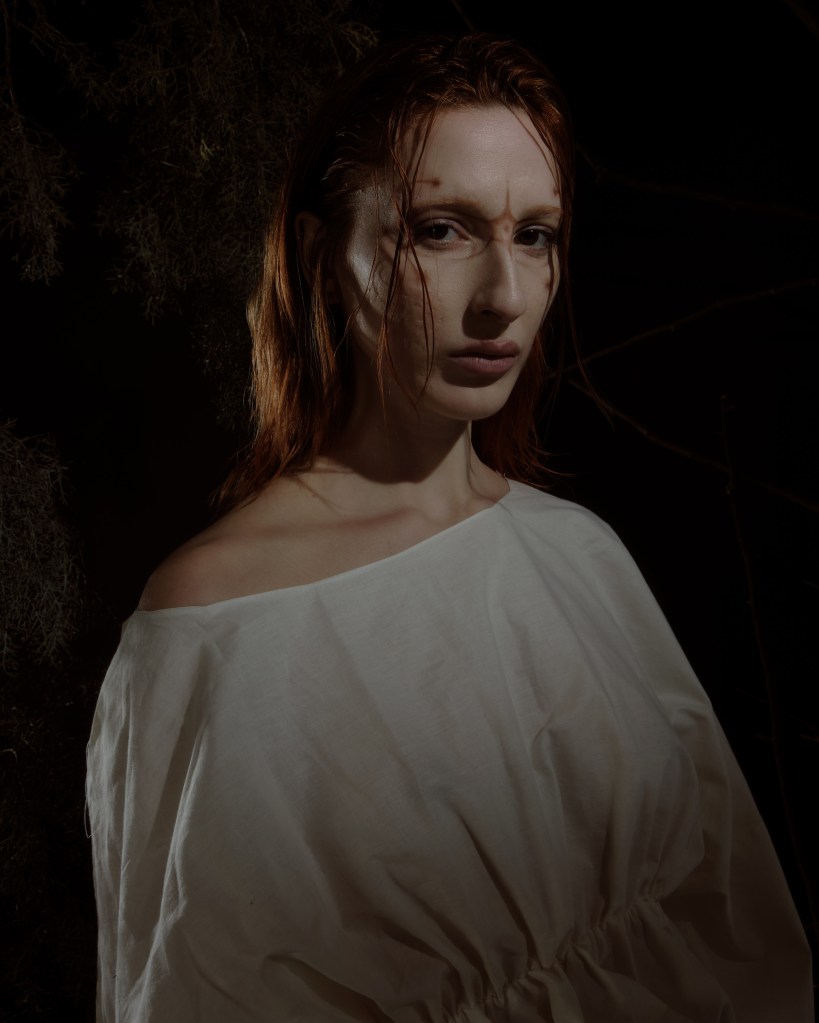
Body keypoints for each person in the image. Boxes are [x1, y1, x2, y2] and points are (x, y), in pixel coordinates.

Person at [86, 33, 813, 1023]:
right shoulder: (213, 620)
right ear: (322, 255)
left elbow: (745, 936)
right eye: (441, 231)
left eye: (535, 236)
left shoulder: (578, 554)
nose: (503, 298)